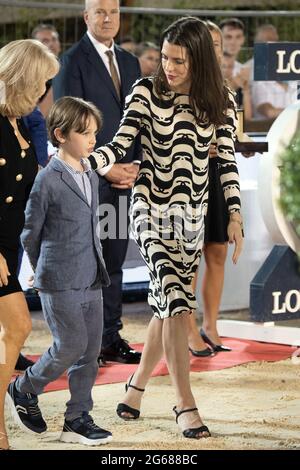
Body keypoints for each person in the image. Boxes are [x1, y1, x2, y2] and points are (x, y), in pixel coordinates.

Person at [88, 17, 243, 438]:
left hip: (191, 217)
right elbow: (121, 143)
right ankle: (185, 404)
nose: (168, 67)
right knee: (176, 301)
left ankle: (135, 388)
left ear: (199, 61)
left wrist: (234, 215)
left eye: (179, 60)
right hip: (149, 210)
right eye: (166, 57)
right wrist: (88, 163)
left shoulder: (221, 100)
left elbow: (227, 163)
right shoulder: (143, 91)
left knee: (164, 306)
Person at [6, 97, 112, 446]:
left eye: (94, 132)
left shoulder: (92, 173)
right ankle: (24, 386)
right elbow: (29, 231)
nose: (92, 139)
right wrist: (39, 269)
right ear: (60, 134)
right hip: (58, 279)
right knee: (71, 345)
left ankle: (77, 418)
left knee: (90, 352)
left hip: (92, 277)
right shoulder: (47, 179)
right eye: (84, 133)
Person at [53, 0, 142, 365]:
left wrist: (134, 164)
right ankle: (84, 342)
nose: (108, 18)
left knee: (115, 259)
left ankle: (109, 337)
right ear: (86, 17)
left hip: (124, 180)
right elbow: (67, 122)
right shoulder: (72, 62)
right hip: (87, 180)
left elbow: (138, 121)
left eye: (114, 12)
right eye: (100, 11)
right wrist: (105, 168)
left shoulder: (132, 62)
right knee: (88, 263)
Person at [0, 39, 58, 451]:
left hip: (8, 242)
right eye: (40, 81)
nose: (43, 90)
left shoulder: (22, 121)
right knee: (18, 325)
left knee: (14, 329)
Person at [187, 21, 244, 357]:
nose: (214, 49)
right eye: (209, 43)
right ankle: (189, 328)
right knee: (190, 257)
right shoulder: (178, 87)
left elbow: (227, 144)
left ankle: (211, 325)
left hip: (218, 175)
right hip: (188, 179)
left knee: (217, 251)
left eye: (218, 44)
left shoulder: (225, 92)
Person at [32, 24, 61, 118]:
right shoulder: (30, 73)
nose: (51, 44)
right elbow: (37, 116)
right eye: (45, 41)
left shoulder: (67, 66)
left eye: (54, 39)